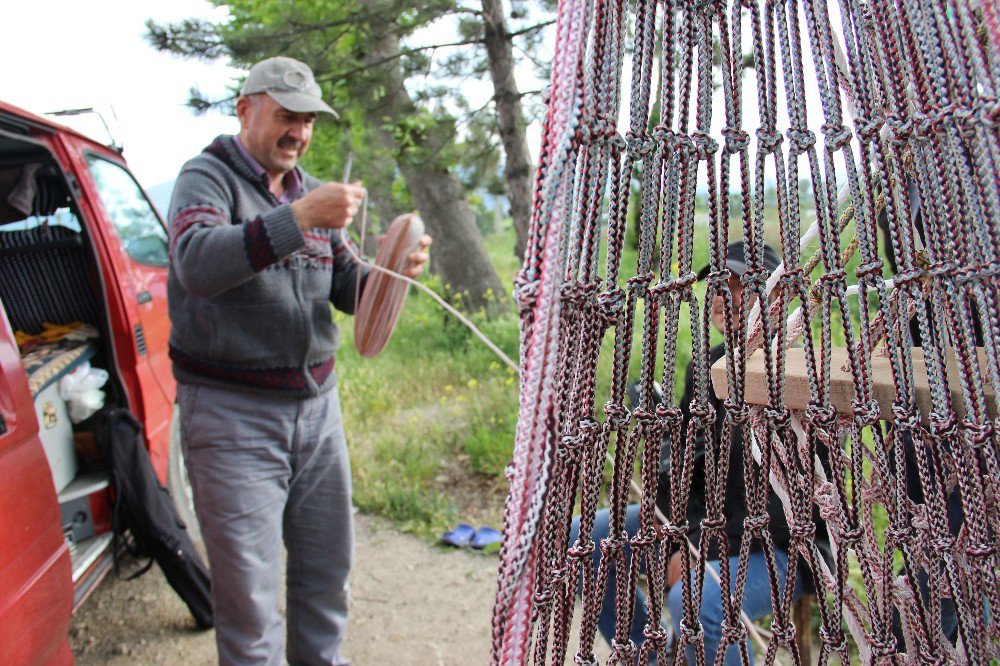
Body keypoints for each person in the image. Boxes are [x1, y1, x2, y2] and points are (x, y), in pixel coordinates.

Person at [167, 56, 430, 665]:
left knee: (325, 577)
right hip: (231, 417)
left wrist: (392, 272)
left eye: (308, 121)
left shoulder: (310, 192)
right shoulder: (205, 178)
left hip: (317, 414)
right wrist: (298, 219)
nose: (299, 133)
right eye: (287, 117)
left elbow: (344, 288)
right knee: (250, 603)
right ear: (246, 108)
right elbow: (197, 264)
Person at [570, 240, 830, 665]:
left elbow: (790, 515)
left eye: (738, 284)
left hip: (788, 548)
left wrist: (699, 550)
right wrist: (664, 452)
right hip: (711, 528)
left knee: (699, 601)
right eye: (716, 284)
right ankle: (645, 655)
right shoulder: (708, 369)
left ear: (776, 296)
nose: (723, 295)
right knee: (585, 537)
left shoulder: (799, 377)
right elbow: (690, 479)